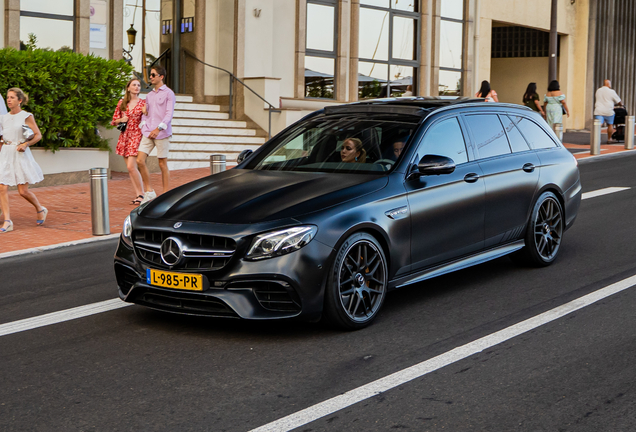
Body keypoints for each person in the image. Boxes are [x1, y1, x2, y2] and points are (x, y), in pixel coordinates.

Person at [0, 88, 47, 233]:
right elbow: (2, 138)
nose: (9, 100)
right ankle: (7, 221)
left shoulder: (26, 116)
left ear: (20, 100)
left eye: (12, 97)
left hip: (20, 154)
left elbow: (38, 135)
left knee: (22, 191)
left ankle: (40, 208)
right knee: (2, 187)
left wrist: (26, 144)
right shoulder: (3, 118)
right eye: (8, 97)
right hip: (6, 154)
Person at [137, 65, 176, 203]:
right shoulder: (149, 95)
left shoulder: (169, 93)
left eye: (153, 75)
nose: (151, 77)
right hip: (148, 132)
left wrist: (158, 129)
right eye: (150, 75)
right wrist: (144, 126)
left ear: (161, 76)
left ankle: (166, 196)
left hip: (162, 133)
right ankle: (149, 191)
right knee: (139, 160)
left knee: (162, 164)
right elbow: (146, 114)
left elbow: (168, 114)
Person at [111, 78, 146, 205]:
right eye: (134, 85)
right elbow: (114, 120)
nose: (137, 87)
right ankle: (138, 194)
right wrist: (122, 119)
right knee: (130, 168)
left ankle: (142, 194)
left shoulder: (143, 103)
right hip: (125, 136)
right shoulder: (122, 102)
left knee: (131, 166)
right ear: (128, 88)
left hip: (137, 134)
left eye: (138, 85)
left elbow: (148, 117)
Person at [594, 79, 622, 143]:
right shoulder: (611, 91)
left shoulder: (598, 90)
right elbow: (618, 101)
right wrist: (621, 105)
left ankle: (596, 139)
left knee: (599, 125)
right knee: (610, 124)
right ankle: (609, 139)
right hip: (608, 111)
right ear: (608, 84)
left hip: (599, 111)